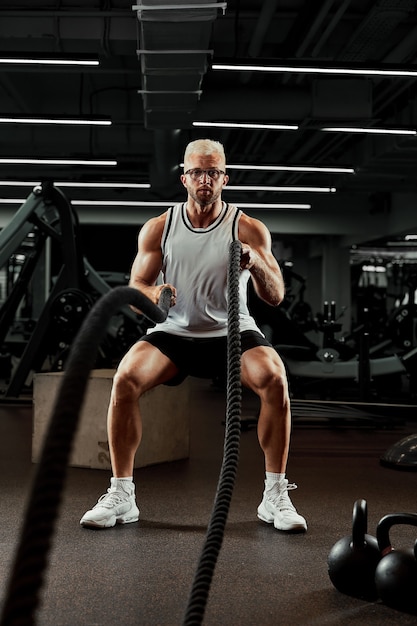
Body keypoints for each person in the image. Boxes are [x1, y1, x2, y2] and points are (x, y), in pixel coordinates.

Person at [80, 138, 307, 533]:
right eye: (198, 172)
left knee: (274, 379)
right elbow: (137, 290)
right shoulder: (160, 228)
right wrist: (157, 294)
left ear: (225, 178)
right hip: (174, 332)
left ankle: (275, 496)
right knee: (125, 379)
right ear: (184, 177)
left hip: (232, 332)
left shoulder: (248, 227)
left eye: (214, 172)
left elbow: (276, 296)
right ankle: (122, 494)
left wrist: (254, 264)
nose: (206, 180)